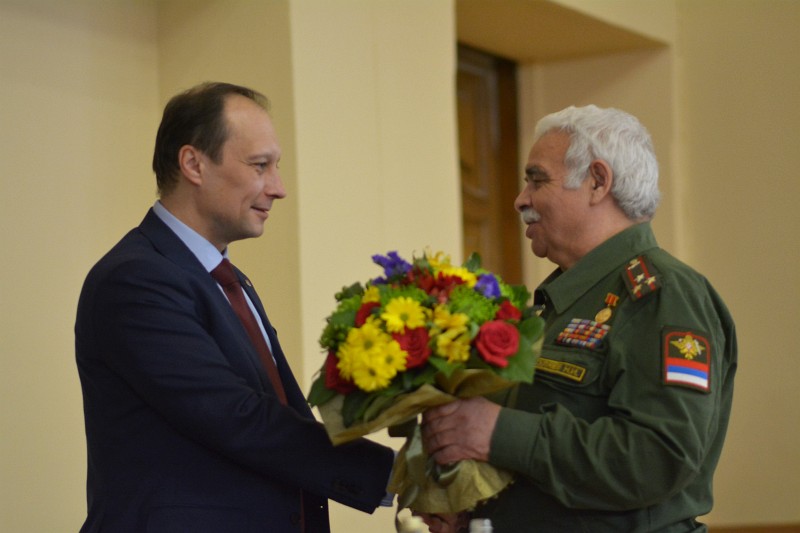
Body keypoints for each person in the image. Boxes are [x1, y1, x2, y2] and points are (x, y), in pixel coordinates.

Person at [74, 82, 395, 533]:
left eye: (276, 167)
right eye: (260, 166)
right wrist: (401, 476)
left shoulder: (228, 280)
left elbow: (279, 417)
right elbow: (237, 417)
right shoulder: (135, 279)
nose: (279, 188)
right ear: (193, 164)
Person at [421, 105, 737, 532]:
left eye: (537, 180)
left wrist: (497, 433)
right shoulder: (561, 304)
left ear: (597, 182)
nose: (521, 200)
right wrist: (475, 510)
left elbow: (658, 458)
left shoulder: (663, 296)